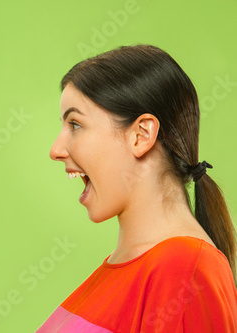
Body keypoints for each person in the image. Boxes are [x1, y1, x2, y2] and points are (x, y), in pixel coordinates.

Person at [38, 45, 237, 332]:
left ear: (141, 135)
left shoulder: (185, 270)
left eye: (76, 124)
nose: (56, 150)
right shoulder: (122, 271)